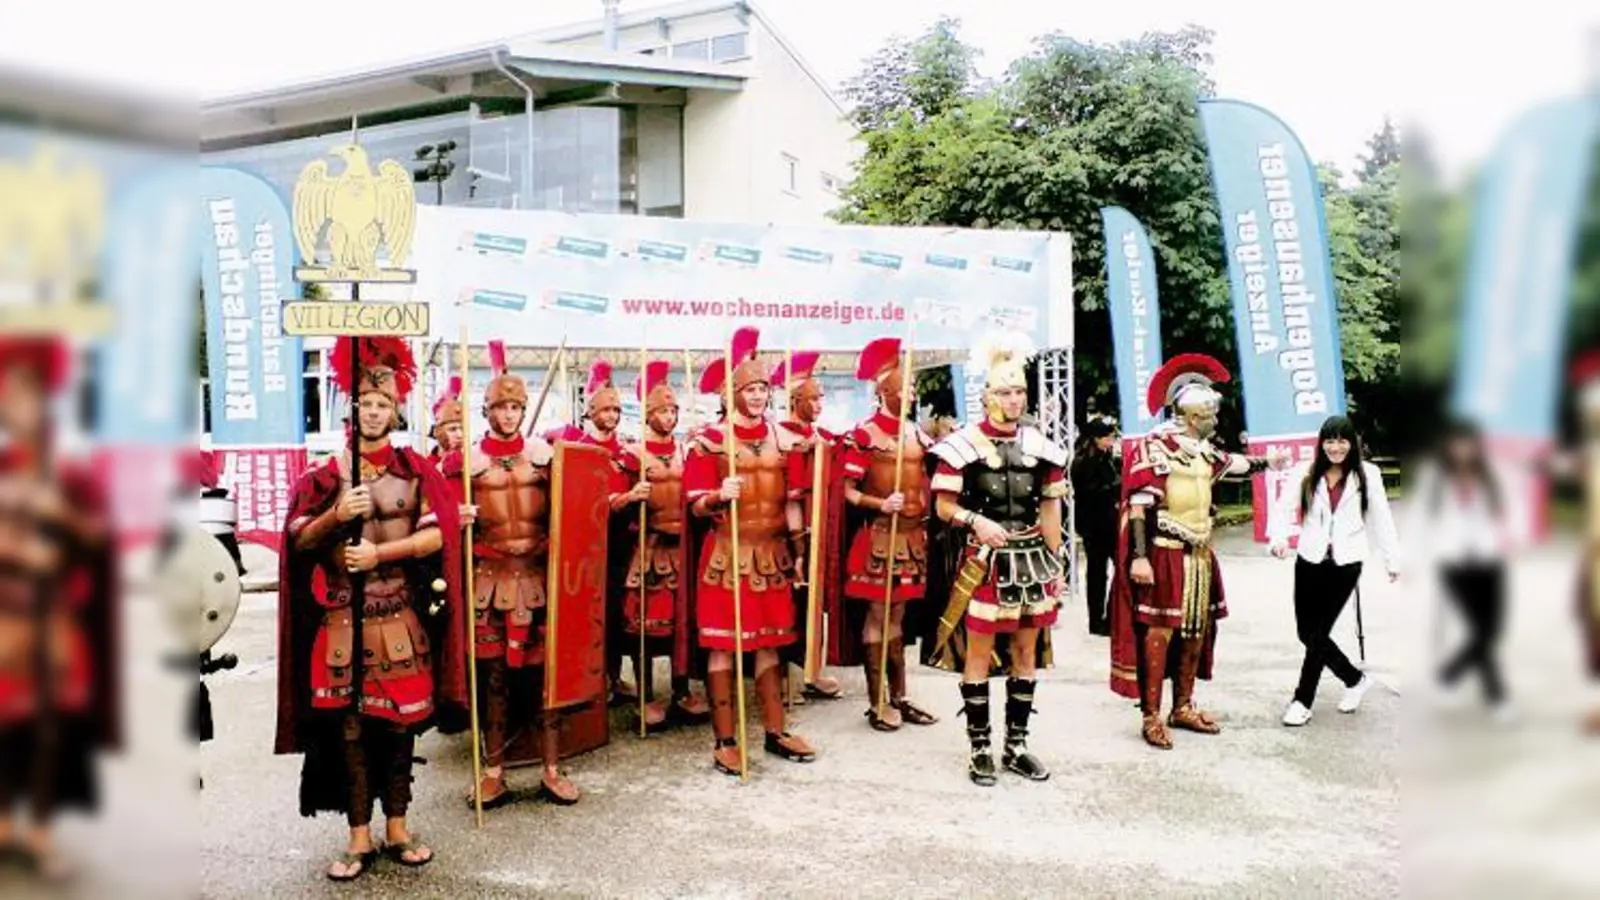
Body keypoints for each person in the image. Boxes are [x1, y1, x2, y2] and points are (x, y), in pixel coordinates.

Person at [274, 337, 467, 882]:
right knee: (351, 730)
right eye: (366, 402)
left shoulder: (417, 472)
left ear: (396, 410)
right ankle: (359, 834)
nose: (374, 411)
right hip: (342, 622)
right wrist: (337, 516)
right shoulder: (324, 477)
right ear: (352, 407)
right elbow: (299, 541)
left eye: (383, 403)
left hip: (400, 616)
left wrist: (381, 553)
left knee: (400, 729)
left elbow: (437, 536)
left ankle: (398, 828)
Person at [1108, 353, 1289, 750]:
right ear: (1191, 416)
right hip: (1165, 551)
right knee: (1160, 630)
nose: (1215, 420)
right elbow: (1138, 505)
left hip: (1201, 553)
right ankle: (1151, 714)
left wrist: (1269, 463)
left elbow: (1235, 464)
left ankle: (1183, 706)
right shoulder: (1155, 448)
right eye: (1210, 414)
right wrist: (1139, 557)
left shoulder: (1204, 449)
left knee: (1196, 629)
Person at [443, 340, 588, 809]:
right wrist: (455, 517)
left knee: (546, 676)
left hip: (541, 578)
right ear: (486, 411)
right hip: (490, 579)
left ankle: (551, 768)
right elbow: (433, 517)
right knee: (495, 679)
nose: (509, 415)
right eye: (501, 407)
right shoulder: (462, 463)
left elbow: (577, 506)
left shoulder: (546, 456)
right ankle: (494, 771)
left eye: (516, 407)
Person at [924, 331, 1068, 785]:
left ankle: (1016, 746)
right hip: (984, 560)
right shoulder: (961, 445)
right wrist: (976, 521)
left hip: (1031, 560)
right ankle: (980, 748)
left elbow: (1050, 509)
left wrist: (1058, 564)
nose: (1014, 399)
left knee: (1026, 651)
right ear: (987, 395)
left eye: (1019, 391)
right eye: (1005, 392)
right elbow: (942, 507)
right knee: (980, 654)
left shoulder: (1041, 445)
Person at [0, 338, 117, 883]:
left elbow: (99, 537)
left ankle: (42, 833)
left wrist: (60, 516)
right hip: (5, 616)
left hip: (54, 617)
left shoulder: (69, 472)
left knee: (49, 730)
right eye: (10, 394)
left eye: (27, 394)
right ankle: (4, 825)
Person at [683, 325, 816, 775]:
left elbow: (793, 503)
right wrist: (718, 495)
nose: (758, 396)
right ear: (733, 394)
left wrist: (800, 553)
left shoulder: (785, 439)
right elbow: (694, 505)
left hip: (773, 553)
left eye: (763, 389)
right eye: (750, 389)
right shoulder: (709, 440)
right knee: (722, 646)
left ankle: (775, 731)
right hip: (726, 554)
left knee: (770, 644)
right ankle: (725, 740)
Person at [1268, 415, 1401, 727]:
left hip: (1346, 564)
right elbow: (1283, 507)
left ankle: (1302, 700)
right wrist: (1278, 538)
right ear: (1322, 443)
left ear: (1352, 443)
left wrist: (1393, 560)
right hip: (1310, 559)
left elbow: (1382, 518)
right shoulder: (1306, 471)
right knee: (1306, 632)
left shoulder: (1368, 474)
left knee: (1318, 633)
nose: (1336, 447)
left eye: (1342, 441)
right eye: (1330, 441)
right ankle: (1354, 679)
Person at [836, 337, 938, 731]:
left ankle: (900, 695)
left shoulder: (917, 435)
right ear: (886, 392)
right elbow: (846, 491)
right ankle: (877, 701)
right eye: (905, 388)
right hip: (878, 537)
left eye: (912, 387)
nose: (911, 394)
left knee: (899, 617)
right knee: (878, 616)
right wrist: (881, 503)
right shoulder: (864, 436)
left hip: (911, 540)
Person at [1404, 417, 1520, 723]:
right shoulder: (1434, 475)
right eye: (1457, 442)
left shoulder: (1492, 473)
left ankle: (1449, 674)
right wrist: (1410, 559)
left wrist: (1513, 537)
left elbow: (1512, 506)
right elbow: (1419, 517)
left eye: (1468, 442)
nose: (1463, 449)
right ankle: (1498, 697)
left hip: (1489, 560)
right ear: (1448, 445)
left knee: (1492, 630)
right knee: (1481, 631)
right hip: (1454, 563)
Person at [617, 359, 711, 727]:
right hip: (648, 547)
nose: (669, 417)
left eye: (673, 411)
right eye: (662, 411)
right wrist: (631, 497)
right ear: (648, 414)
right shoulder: (632, 455)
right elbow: (609, 503)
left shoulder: (688, 451)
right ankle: (645, 697)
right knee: (643, 627)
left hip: (682, 549)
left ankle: (681, 691)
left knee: (680, 626)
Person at [547, 359, 641, 708]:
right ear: (590, 412)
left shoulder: (629, 455)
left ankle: (613, 677)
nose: (612, 416)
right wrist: (621, 500)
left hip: (619, 546)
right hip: (585, 548)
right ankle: (589, 681)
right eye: (605, 410)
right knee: (587, 619)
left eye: (616, 410)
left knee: (615, 617)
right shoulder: (576, 451)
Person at [768, 350, 845, 702]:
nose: (818, 404)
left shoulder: (823, 437)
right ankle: (783, 679)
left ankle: (812, 670)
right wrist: (799, 546)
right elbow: (790, 497)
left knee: (816, 604)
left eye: (821, 397)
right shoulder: (782, 438)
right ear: (794, 401)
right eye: (811, 398)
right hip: (789, 534)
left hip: (820, 531)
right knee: (788, 604)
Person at [1071, 416, 1121, 636]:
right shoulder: (1084, 461)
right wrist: (1116, 486)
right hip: (1094, 524)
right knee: (1097, 573)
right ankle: (1097, 618)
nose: (1111, 441)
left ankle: (1112, 616)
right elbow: (1089, 492)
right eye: (1107, 438)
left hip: (1109, 521)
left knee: (1117, 568)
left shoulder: (1107, 458)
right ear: (1095, 439)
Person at [428, 375, 464, 463]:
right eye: (452, 429)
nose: (460, 435)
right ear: (437, 432)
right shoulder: (426, 465)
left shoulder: (471, 463)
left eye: (462, 429)